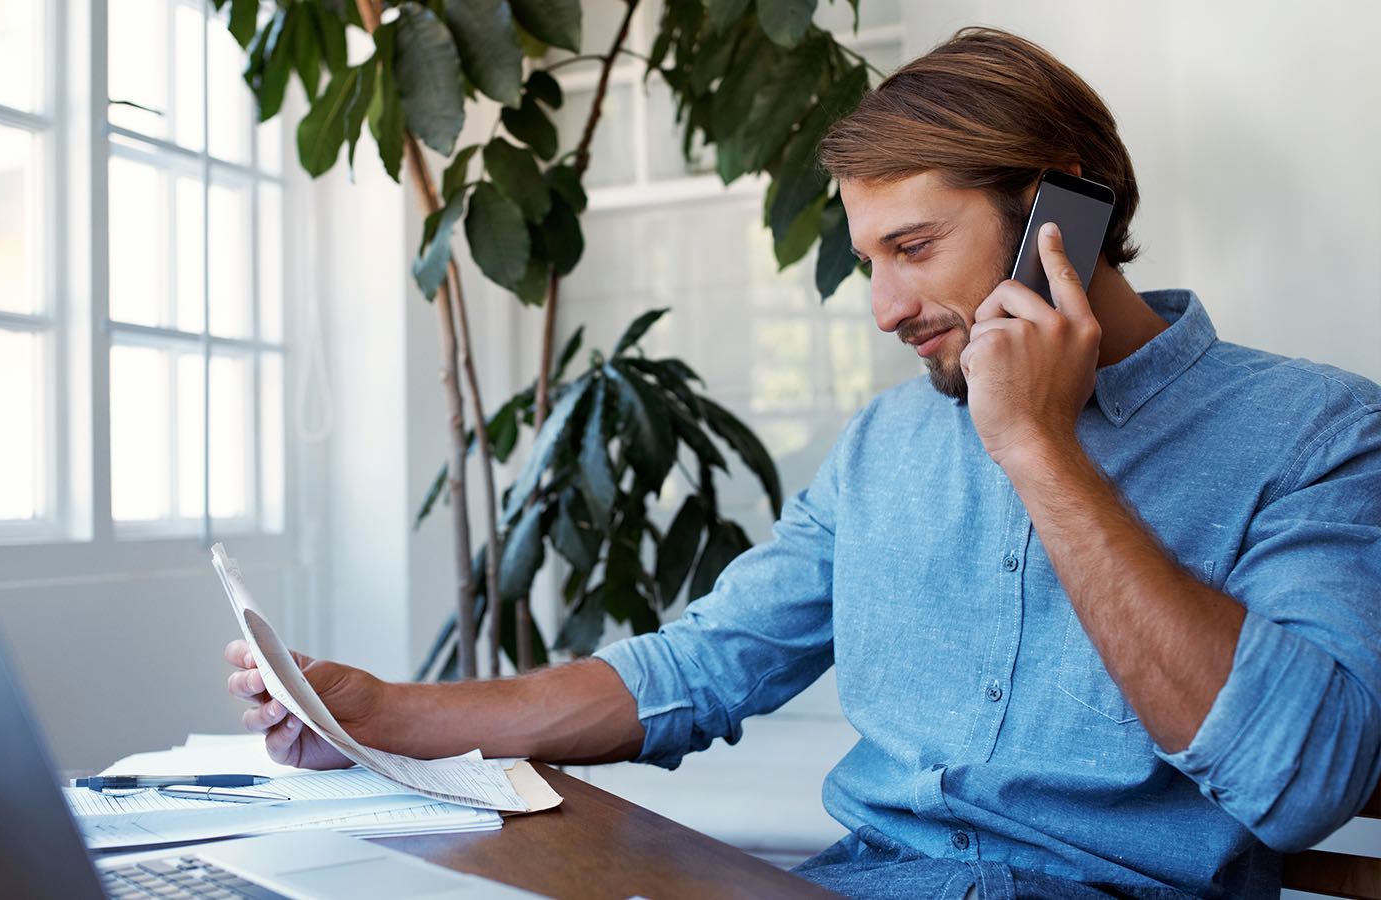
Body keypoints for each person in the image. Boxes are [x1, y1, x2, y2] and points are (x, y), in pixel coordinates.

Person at [224, 27, 1381, 900]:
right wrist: (380, 713)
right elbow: (701, 666)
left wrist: (1037, 447)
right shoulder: (887, 445)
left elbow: (1303, 780)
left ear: (1059, 210)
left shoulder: (1317, 433)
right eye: (866, 258)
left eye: (912, 249)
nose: (881, 308)